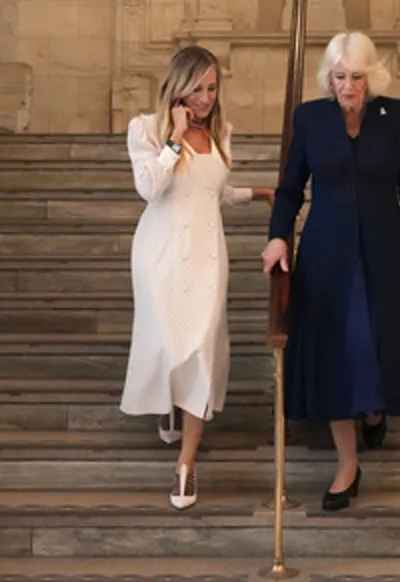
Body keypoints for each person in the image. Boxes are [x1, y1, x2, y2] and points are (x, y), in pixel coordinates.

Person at [260, 31, 400, 512]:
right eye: (340, 77)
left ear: (373, 76)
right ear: (329, 77)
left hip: (383, 250)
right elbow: (289, 189)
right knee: (336, 353)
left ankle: (373, 411)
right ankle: (347, 464)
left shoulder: (395, 115)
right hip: (326, 254)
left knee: (373, 344)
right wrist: (279, 235)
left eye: (357, 77)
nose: (348, 87)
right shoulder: (310, 118)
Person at [121, 45, 273, 511]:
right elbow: (150, 188)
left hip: (208, 254)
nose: (205, 97)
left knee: (202, 348)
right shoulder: (145, 129)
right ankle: (167, 404)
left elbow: (213, 191)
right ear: (178, 84)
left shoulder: (222, 131)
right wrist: (174, 141)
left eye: (212, 87)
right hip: (160, 253)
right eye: (198, 87)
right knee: (168, 341)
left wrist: (259, 193)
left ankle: (186, 463)